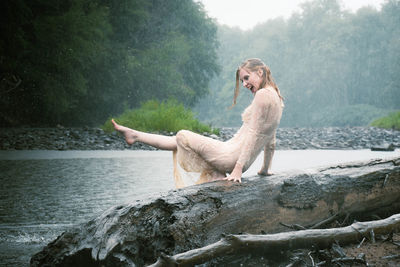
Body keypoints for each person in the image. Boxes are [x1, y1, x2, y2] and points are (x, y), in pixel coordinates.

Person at [111, 58, 284, 188]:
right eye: (242, 81)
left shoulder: (262, 96)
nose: (245, 84)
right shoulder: (277, 98)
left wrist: (237, 169)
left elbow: (254, 134)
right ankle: (135, 135)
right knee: (178, 142)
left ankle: (135, 135)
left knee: (182, 136)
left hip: (231, 157)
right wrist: (265, 169)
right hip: (232, 154)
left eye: (247, 78)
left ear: (259, 73)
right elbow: (271, 140)